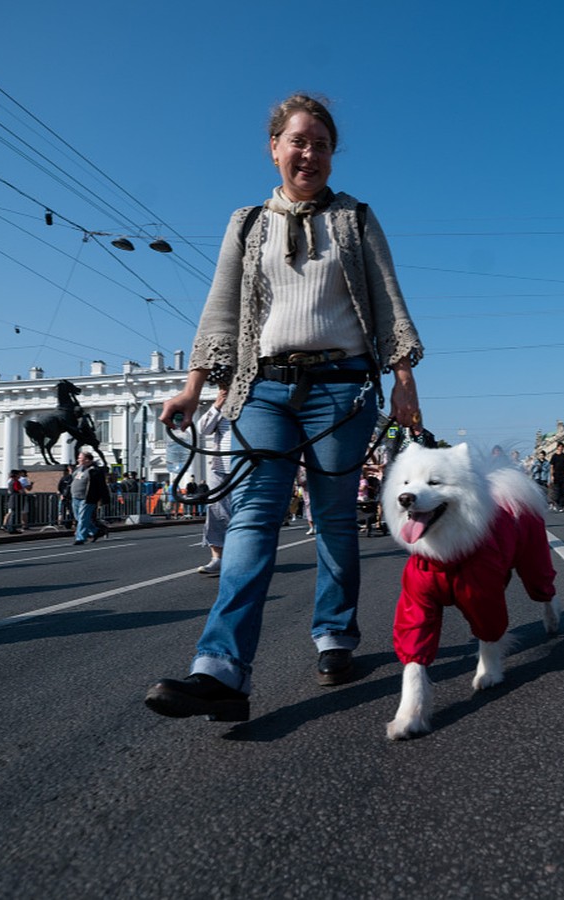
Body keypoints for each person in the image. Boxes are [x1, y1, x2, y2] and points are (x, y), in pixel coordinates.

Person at [145, 93, 424, 722]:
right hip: (263, 388)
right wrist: (193, 385)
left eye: (322, 144)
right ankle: (219, 671)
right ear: (274, 147)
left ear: (332, 155)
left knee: (332, 518)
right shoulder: (247, 222)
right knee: (252, 518)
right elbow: (221, 307)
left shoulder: (354, 218)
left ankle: (334, 633)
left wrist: (403, 378)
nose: (310, 153)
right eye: (298, 140)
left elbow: (386, 299)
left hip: (342, 388)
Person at [195, 388, 233, 575]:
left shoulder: (255, 403)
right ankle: (216, 558)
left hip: (248, 467)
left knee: (245, 515)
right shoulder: (220, 407)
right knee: (217, 513)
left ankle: (244, 557)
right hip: (220, 468)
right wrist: (218, 404)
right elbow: (203, 429)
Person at [70, 451, 109, 544]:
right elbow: (72, 481)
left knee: (83, 517)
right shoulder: (79, 469)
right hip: (75, 497)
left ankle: (80, 538)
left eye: (80, 458)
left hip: (87, 498)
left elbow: (101, 486)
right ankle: (96, 531)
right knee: (78, 517)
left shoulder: (94, 471)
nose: (78, 459)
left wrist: (102, 498)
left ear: (87, 460)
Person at [548, 443, 564, 512]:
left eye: (562, 447)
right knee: (557, 491)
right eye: (559, 447)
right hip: (556, 475)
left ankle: (561, 506)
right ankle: (556, 503)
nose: (560, 448)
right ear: (557, 448)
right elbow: (551, 467)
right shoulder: (554, 456)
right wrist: (551, 475)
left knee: (563, 490)